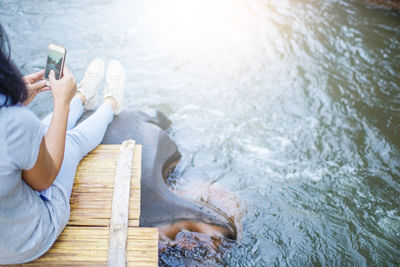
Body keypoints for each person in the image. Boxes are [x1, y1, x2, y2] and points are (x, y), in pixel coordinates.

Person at [0, 24, 125, 264]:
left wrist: (12, 98)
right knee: (70, 141)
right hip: (29, 238)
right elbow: (43, 180)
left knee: (39, 134)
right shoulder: (14, 123)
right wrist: (61, 103)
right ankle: (110, 102)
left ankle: (82, 97)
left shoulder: (13, 122)